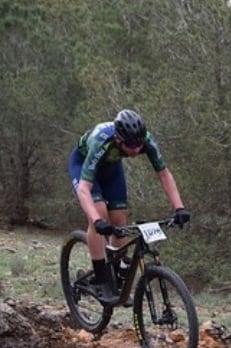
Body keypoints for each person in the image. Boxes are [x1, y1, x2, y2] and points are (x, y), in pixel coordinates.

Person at [68, 109, 190, 303]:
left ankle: (116, 277)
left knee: (120, 222)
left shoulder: (146, 140)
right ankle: (100, 277)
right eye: (131, 145)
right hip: (84, 164)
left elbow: (164, 175)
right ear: (118, 139)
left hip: (111, 168)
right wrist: (98, 221)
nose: (136, 149)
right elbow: (84, 189)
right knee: (98, 212)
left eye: (139, 144)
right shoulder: (102, 141)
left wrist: (179, 207)